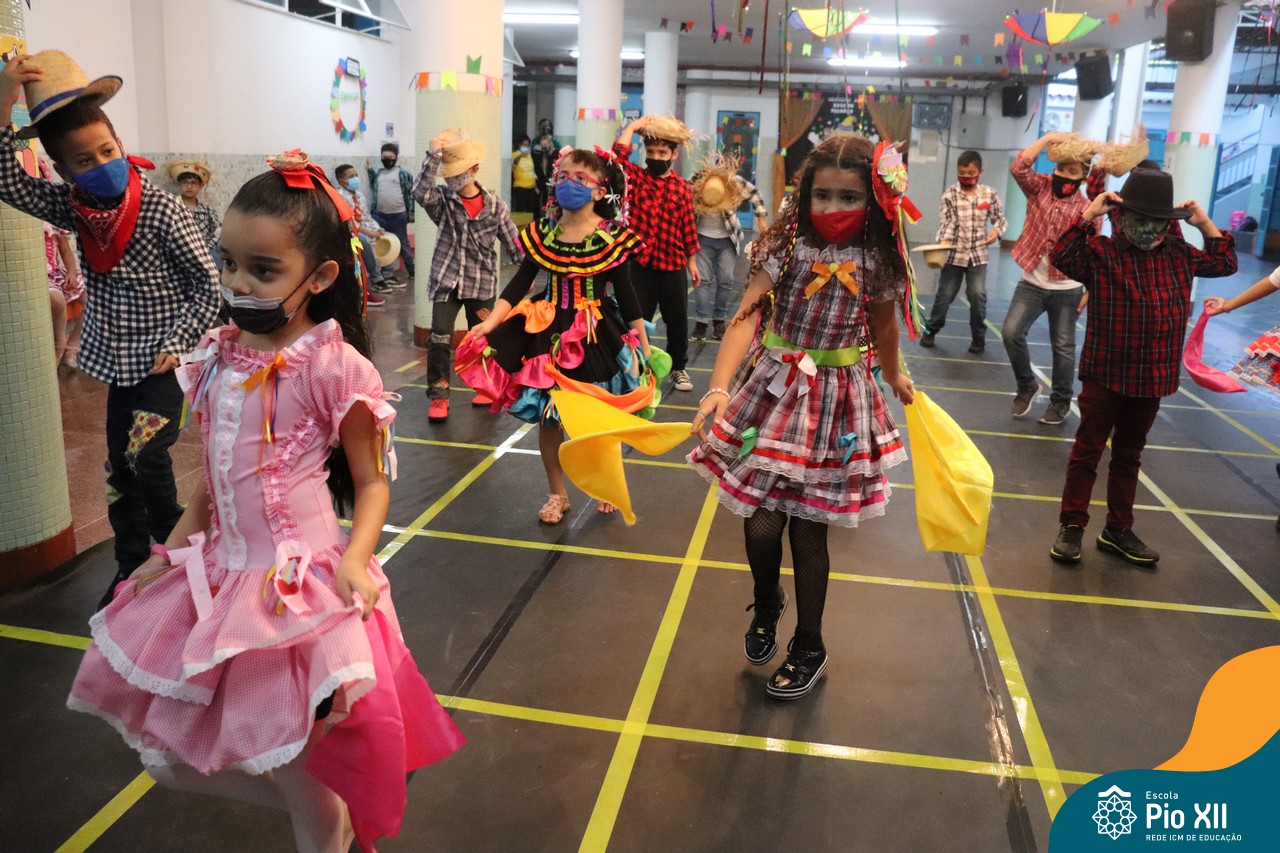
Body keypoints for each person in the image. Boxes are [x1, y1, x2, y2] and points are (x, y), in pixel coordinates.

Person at [67, 150, 465, 852]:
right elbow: (215, 477)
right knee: (168, 763)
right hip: (220, 576)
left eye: (262, 269)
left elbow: (372, 482)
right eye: (228, 263)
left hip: (299, 587)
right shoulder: (220, 352)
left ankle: (325, 823)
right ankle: (327, 812)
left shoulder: (334, 366)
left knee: (299, 765)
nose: (236, 282)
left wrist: (356, 560)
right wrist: (167, 554)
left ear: (321, 277)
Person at [688, 134, 915, 700]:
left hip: (835, 401)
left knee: (810, 531)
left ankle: (809, 644)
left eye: (849, 197)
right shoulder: (785, 245)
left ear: (873, 200)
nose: (833, 208)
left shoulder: (878, 257)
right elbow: (746, 316)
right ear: (804, 193)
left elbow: (885, 325)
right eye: (823, 195)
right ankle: (767, 600)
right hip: (774, 390)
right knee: (761, 522)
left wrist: (893, 375)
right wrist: (718, 388)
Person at [0, 51, 220, 609]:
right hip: (119, 367)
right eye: (84, 160)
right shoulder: (73, 208)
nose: (101, 164)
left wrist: (177, 345)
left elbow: (208, 283)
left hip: (164, 364)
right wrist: (3, 105)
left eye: (107, 151)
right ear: (64, 171)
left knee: (147, 456)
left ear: (120, 144)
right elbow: (6, 181)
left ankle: (177, 554)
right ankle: (129, 564)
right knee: (120, 468)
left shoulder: (162, 209)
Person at [1047, 167, 1237, 566]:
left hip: (1152, 375)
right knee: (1087, 452)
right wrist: (1089, 214)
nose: (1148, 230)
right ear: (1120, 217)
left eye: (1157, 222)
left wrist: (1204, 223)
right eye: (1139, 220)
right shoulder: (1101, 254)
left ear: (1169, 224)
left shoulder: (1180, 255)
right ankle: (1072, 526)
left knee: (1129, 455)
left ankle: (1118, 529)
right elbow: (1061, 255)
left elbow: (1224, 263)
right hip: (1106, 372)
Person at [462, 147, 652, 523]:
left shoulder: (611, 237)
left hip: (596, 333)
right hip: (547, 333)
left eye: (580, 178)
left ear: (600, 191)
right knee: (551, 418)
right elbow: (520, 283)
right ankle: (557, 494)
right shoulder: (544, 233)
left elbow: (627, 296)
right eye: (563, 176)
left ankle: (605, 482)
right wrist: (492, 321)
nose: (569, 183)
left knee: (598, 415)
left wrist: (642, 346)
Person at [413, 127, 523, 422]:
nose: (453, 180)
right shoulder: (443, 201)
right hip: (446, 281)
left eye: (459, 173)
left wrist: (536, 269)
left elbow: (515, 245)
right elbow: (420, 193)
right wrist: (434, 154)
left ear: (474, 170)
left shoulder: (495, 206)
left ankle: (485, 387)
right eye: (449, 175)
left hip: (481, 284)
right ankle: (439, 396)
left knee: (484, 338)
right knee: (439, 337)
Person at [1002, 131, 1104, 426]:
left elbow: (1093, 253)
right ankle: (1027, 386)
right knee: (1011, 332)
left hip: (1068, 287)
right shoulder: (1040, 188)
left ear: (1083, 177)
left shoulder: (1088, 208)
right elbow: (1019, 167)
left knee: (1063, 347)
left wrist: (1089, 292)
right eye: (1061, 169)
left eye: (1072, 172)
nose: (1064, 176)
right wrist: (1048, 139)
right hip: (1032, 282)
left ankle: (1060, 401)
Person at [614, 115, 702, 392]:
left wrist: (692, 262)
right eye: (651, 152)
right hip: (639, 264)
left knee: (677, 320)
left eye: (662, 153)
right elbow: (616, 161)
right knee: (636, 319)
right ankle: (639, 367)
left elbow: (687, 225)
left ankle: (678, 369)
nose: (655, 157)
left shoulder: (682, 187)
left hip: (672, 265)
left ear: (674, 155)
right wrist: (632, 127)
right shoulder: (636, 179)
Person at [920, 150, 1007, 354]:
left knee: (978, 295)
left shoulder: (989, 194)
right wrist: (943, 242)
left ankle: (978, 338)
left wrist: (996, 231)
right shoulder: (950, 194)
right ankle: (930, 331)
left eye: (971, 173)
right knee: (945, 295)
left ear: (980, 172)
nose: (966, 177)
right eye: (962, 173)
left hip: (978, 255)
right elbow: (947, 222)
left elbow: (999, 219)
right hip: (954, 255)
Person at [690, 155, 769, 341]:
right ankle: (701, 323)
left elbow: (754, 193)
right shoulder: (697, 181)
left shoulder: (732, 182)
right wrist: (693, 191)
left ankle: (719, 321)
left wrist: (761, 219)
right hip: (702, 238)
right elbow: (681, 194)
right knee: (703, 281)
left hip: (728, 239)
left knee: (725, 280)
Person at [334, 162, 392, 307]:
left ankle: (387, 274)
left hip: (363, 229)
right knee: (363, 241)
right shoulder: (339, 196)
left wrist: (378, 229)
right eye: (351, 176)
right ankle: (375, 280)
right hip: (348, 233)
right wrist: (370, 233)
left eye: (356, 175)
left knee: (388, 237)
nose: (356, 179)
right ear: (342, 181)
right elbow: (349, 222)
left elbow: (367, 217)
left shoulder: (359, 195)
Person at [366, 141, 415, 280]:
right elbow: (373, 185)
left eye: (390, 157)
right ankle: (384, 272)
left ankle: (412, 271)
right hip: (379, 215)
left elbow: (411, 193)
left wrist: (412, 213)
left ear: (396, 158)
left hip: (398, 215)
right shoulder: (380, 173)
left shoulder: (403, 173)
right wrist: (370, 169)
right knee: (380, 242)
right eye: (384, 157)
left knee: (403, 243)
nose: (387, 160)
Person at [167, 158, 221, 264]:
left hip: (206, 257)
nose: (189, 186)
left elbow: (217, 232)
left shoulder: (208, 211)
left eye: (194, 183)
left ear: (200, 186)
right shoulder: (172, 208)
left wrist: (206, 249)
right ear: (179, 184)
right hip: (178, 257)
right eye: (185, 183)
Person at [510, 133, 540, 218]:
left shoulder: (529, 156)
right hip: (520, 187)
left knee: (530, 210)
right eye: (524, 145)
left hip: (531, 187)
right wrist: (520, 156)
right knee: (520, 209)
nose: (526, 147)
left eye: (528, 145)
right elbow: (514, 163)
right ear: (519, 145)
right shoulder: (515, 154)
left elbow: (532, 171)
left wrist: (536, 187)